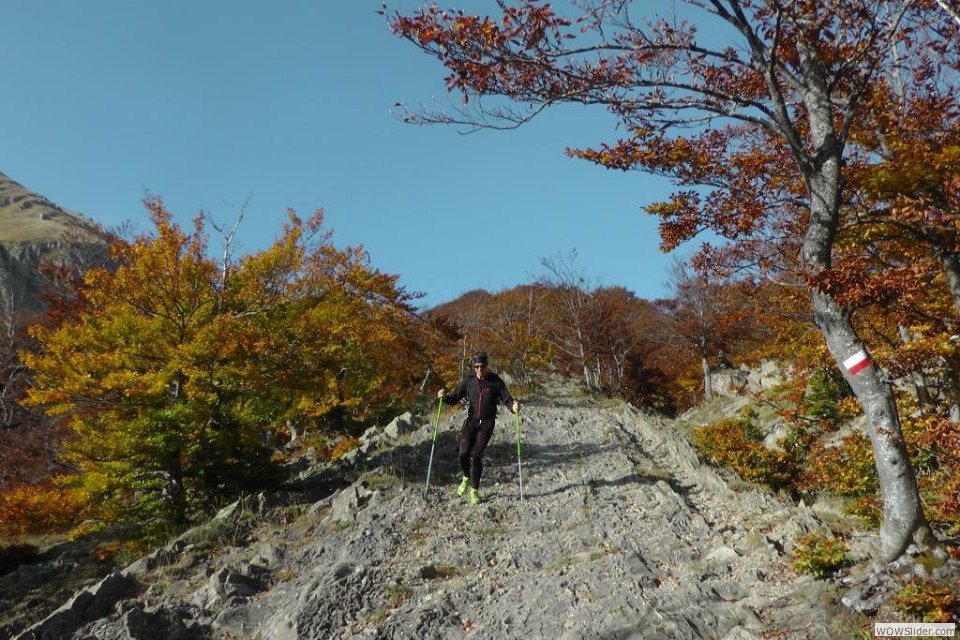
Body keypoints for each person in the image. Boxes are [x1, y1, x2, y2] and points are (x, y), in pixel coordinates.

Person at [437, 351, 520, 504]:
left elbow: (507, 399)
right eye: (477, 367)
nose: (479, 370)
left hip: (487, 423)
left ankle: (474, 490)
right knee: (463, 453)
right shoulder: (468, 381)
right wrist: (444, 396)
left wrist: (513, 406)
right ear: (474, 367)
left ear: (487, 366)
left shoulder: (496, 381)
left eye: (482, 366)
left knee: (477, 456)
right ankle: (466, 477)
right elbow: (455, 397)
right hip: (471, 421)